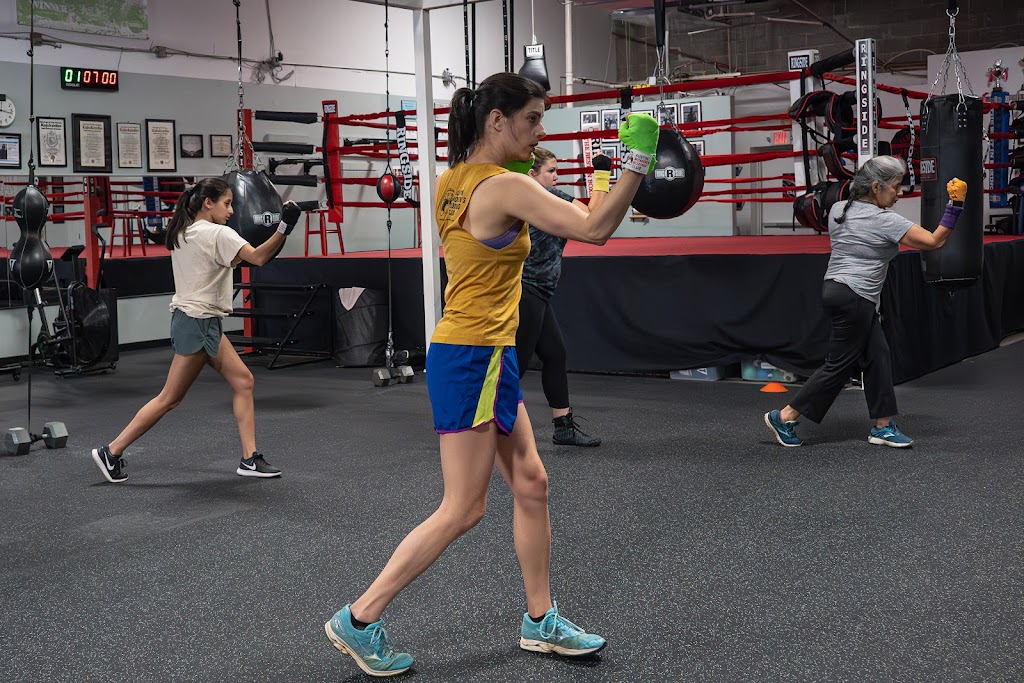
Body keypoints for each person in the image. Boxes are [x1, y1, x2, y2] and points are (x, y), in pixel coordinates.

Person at [323, 72, 660, 677]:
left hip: (484, 354)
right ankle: (360, 617)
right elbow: (596, 229)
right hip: (473, 356)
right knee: (463, 508)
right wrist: (639, 154)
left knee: (532, 483)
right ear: (497, 121)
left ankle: (540, 619)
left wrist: (611, 178)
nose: (541, 131)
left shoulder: (453, 179)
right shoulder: (504, 185)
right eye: (533, 118)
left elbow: (572, 215)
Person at [90, 177, 302, 483]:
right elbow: (258, 257)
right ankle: (112, 451)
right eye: (227, 203)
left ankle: (249, 458)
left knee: (243, 381)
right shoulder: (218, 233)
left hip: (198, 320)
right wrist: (285, 227)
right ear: (208, 203)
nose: (231, 210)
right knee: (170, 398)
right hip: (198, 322)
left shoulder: (184, 231)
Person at [764, 156, 967, 448]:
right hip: (854, 295)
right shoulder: (884, 220)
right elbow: (935, 241)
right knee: (838, 365)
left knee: (877, 355)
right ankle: (784, 416)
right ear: (875, 187)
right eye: (896, 187)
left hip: (835, 289)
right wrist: (955, 205)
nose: (899, 193)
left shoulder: (837, 210)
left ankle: (882, 426)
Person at [517, 147, 609, 447]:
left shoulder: (543, 198)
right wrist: (603, 174)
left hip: (539, 293)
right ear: (532, 174)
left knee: (555, 354)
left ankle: (563, 427)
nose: (556, 177)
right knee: (514, 366)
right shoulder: (547, 199)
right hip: (525, 292)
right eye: (551, 171)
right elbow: (595, 215)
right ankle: (476, 428)